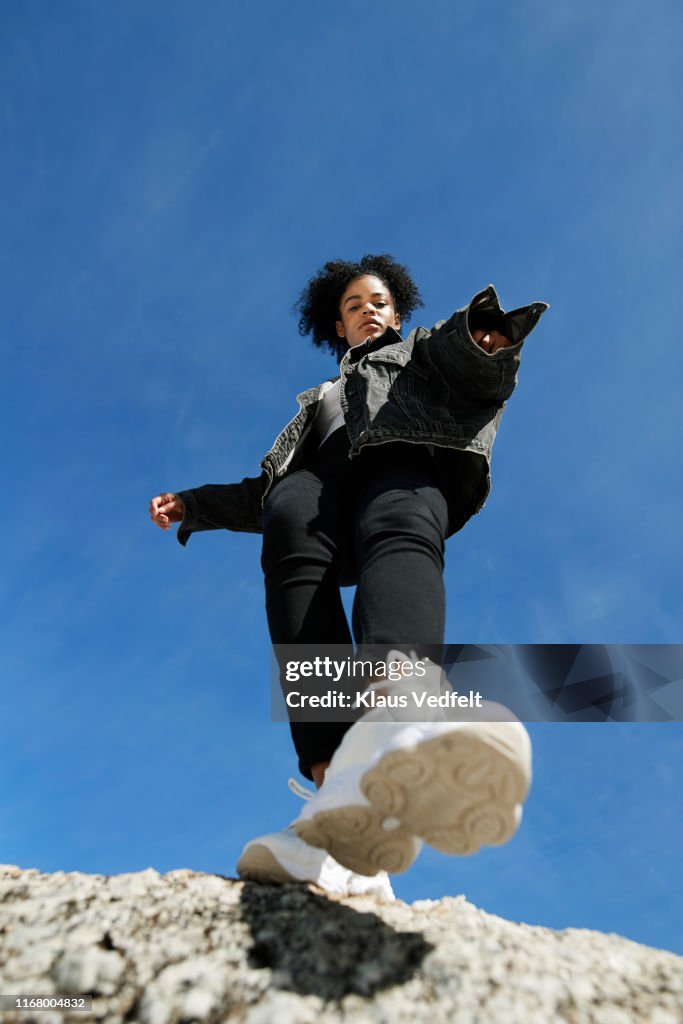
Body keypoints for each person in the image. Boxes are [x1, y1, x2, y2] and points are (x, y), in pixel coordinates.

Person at [149, 254, 548, 900]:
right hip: (321, 490)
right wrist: (193, 503)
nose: (369, 310)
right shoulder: (316, 405)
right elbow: (258, 490)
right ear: (337, 325)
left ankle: (403, 699)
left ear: (396, 313)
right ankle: (335, 785)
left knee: (397, 514)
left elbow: (465, 362)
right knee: (286, 520)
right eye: (355, 305)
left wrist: (484, 340)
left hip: (403, 462)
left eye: (380, 302)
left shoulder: (421, 350)